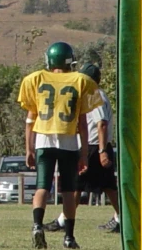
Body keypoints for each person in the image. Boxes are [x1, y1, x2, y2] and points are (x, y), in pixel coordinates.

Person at [18, 42, 102, 250]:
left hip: (44, 140)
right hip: (68, 141)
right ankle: (69, 237)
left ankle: (37, 226)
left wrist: (28, 148)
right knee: (68, 190)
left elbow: (30, 119)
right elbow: (82, 123)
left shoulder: (35, 79)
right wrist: (84, 153)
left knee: (42, 187)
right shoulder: (81, 81)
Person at [44, 63, 120, 234]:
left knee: (76, 185)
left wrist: (101, 151)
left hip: (94, 147)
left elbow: (101, 124)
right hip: (97, 146)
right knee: (108, 186)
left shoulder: (93, 94)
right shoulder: (98, 94)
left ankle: (64, 220)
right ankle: (122, 218)